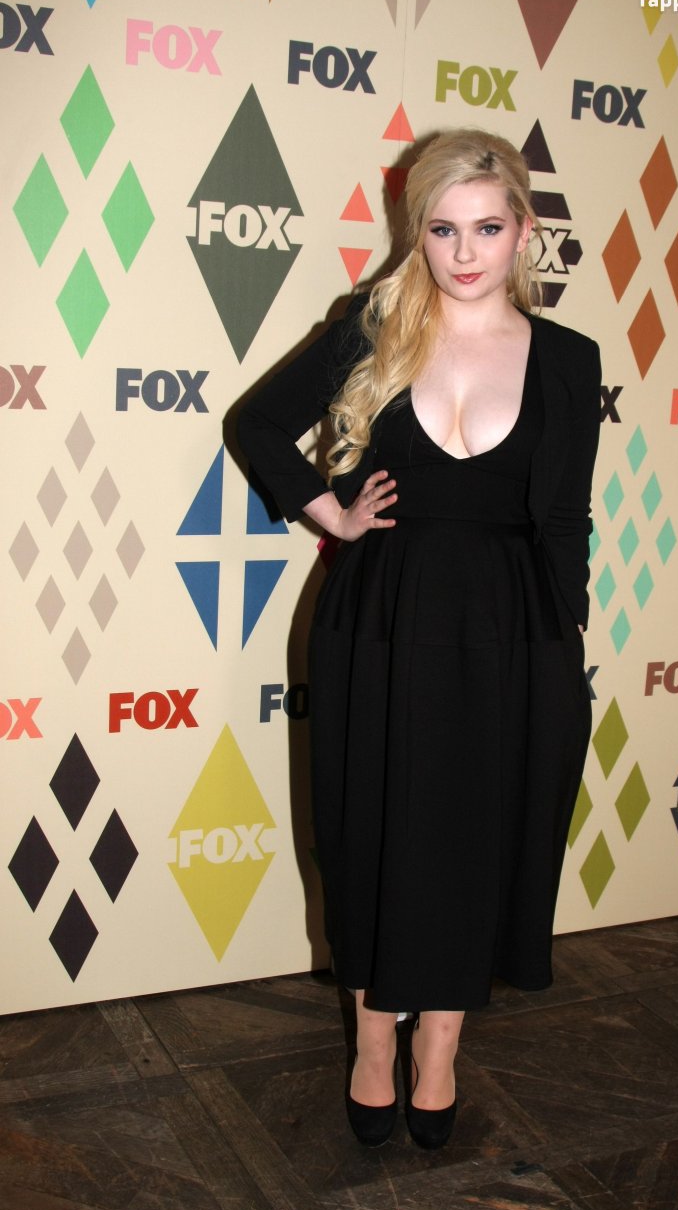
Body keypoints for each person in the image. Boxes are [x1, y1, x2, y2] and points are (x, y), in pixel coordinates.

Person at [237, 128, 601, 1151]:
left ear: (522, 230)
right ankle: (371, 1042)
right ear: (418, 232)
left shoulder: (568, 360)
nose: (464, 251)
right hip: (381, 624)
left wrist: (562, 650)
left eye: (486, 227)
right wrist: (333, 515)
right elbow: (258, 425)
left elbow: (564, 518)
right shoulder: (375, 326)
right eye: (442, 229)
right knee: (369, 831)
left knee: (479, 839)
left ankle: (439, 1050)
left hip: (509, 631)